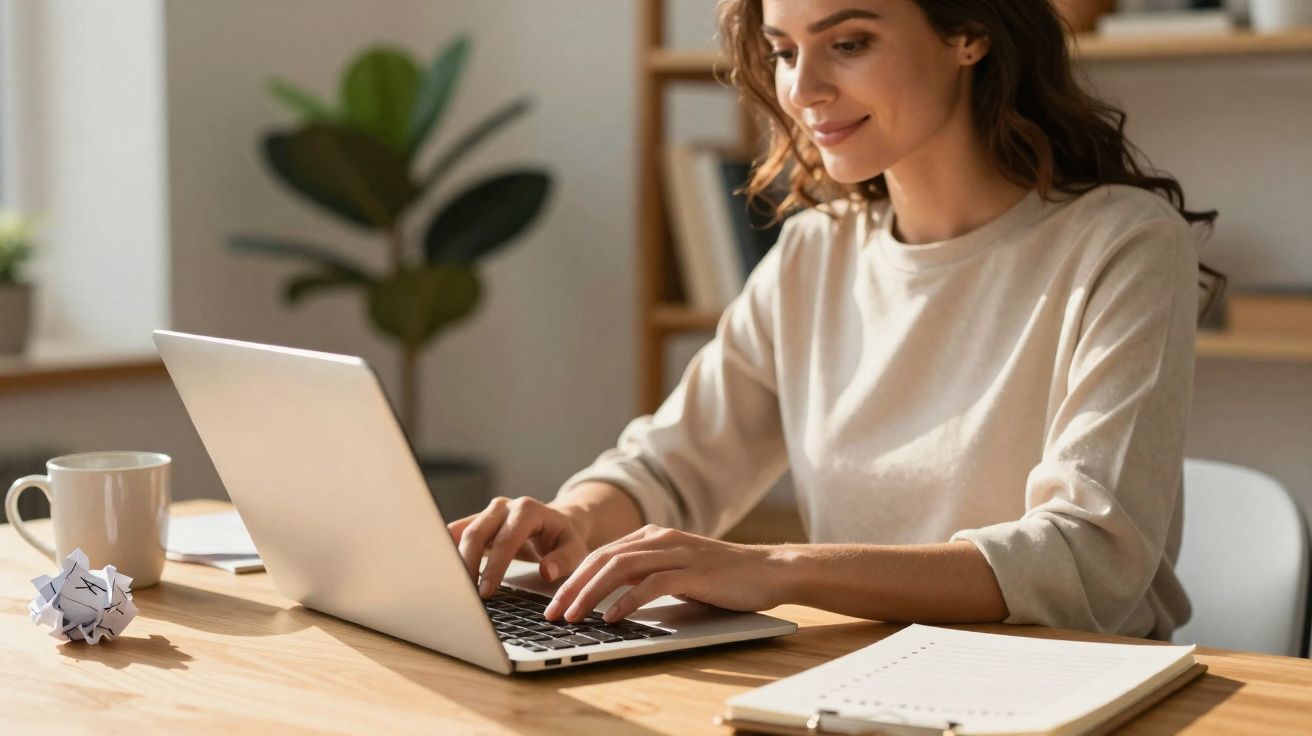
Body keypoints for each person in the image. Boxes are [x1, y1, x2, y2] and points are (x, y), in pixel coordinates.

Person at [448, 0, 1216, 640]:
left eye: (848, 43)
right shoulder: (815, 253)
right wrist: (576, 520)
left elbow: (1087, 561)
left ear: (970, 32)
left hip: (1064, 693)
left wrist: (776, 570)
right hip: (858, 683)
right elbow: (672, 466)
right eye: (783, 51)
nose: (803, 88)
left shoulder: (1124, 245)